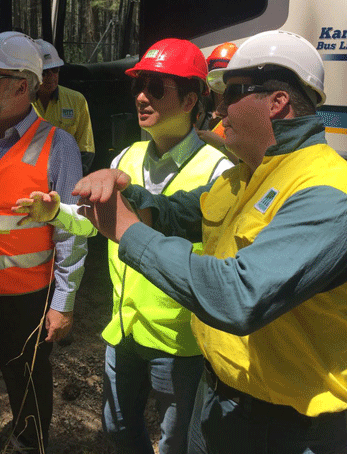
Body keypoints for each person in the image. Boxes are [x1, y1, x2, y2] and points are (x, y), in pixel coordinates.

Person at [68, 30, 347, 454]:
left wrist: (127, 230)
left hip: (284, 430)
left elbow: (238, 295)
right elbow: (177, 213)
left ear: (277, 102)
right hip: (217, 398)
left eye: (230, 93)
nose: (217, 108)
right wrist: (125, 193)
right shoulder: (244, 176)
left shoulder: (329, 192)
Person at [14, 37, 233, 454]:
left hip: (180, 342)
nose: (141, 97)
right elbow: (94, 223)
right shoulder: (125, 158)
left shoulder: (217, 170)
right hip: (124, 331)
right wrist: (57, 212)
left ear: (190, 101)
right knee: (118, 430)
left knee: (176, 444)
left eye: (156, 87)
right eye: (138, 85)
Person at [0, 31, 89, 454]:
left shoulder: (58, 145)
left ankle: (28, 447)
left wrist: (62, 303)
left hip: (21, 298)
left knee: (27, 386)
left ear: (22, 87)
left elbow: (72, 232)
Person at [33, 39, 95, 175]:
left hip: (67, 174)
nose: (51, 76)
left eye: (55, 70)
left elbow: (86, 150)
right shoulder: (23, 103)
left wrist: (71, 178)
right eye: (44, 72)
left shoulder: (77, 100)